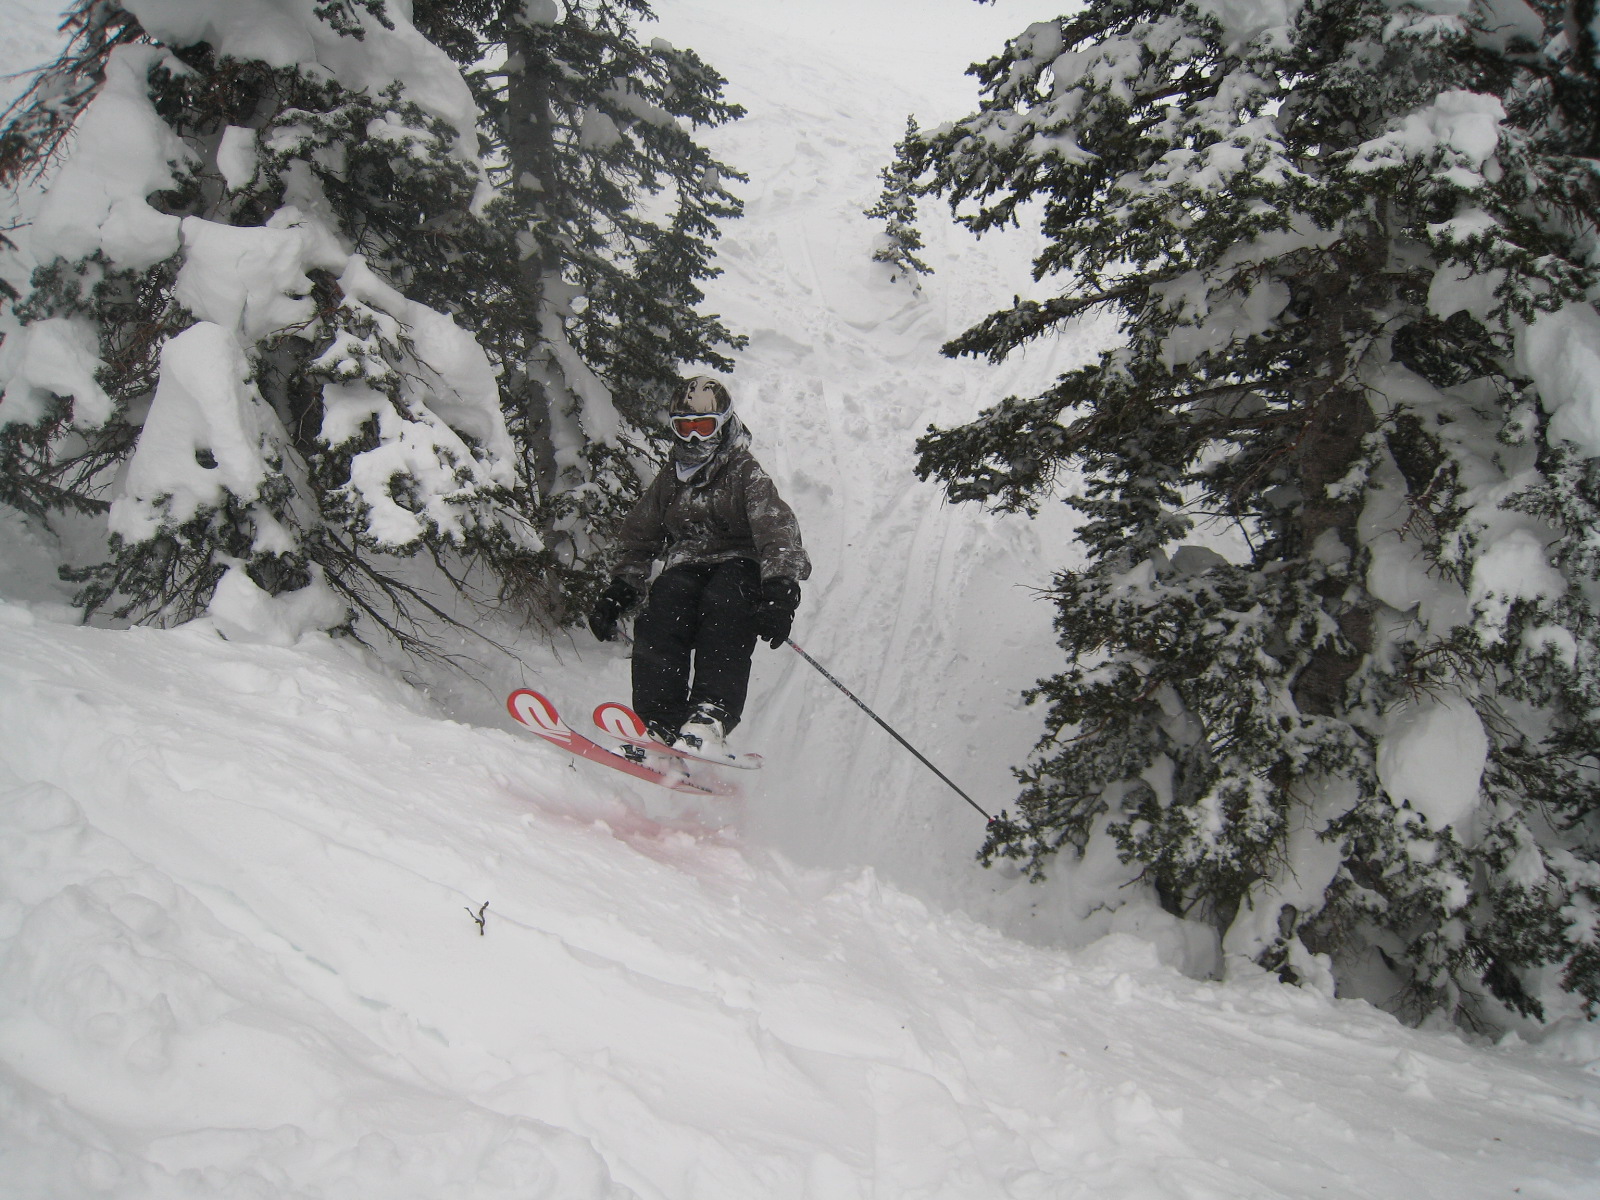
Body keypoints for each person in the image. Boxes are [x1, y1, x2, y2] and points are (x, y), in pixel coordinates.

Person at [586, 376, 810, 758]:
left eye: (702, 427)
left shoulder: (743, 472)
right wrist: (621, 586)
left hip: (741, 561)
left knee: (725, 602)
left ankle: (711, 714)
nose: (692, 439)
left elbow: (776, 527)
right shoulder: (671, 478)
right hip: (688, 562)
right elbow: (639, 534)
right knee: (663, 606)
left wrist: (780, 589)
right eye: (683, 428)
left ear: (722, 426)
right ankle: (659, 720)